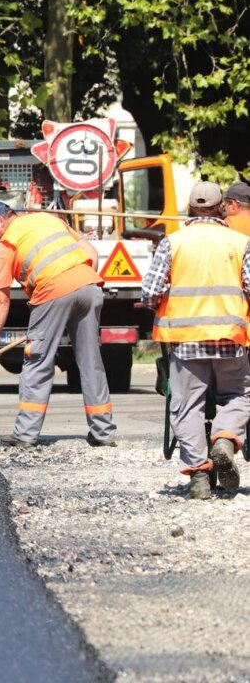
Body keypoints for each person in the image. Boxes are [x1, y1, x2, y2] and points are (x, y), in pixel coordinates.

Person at [0, 200, 115, 448]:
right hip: (89, 286)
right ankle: (103, 433)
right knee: (91, 361)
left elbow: (0, 301)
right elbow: (91, 253)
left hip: (52, 291)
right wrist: (78, 284)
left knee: (37, 360)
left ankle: (26, 435)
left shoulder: (6, 244)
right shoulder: (48, 218)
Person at [142, 181, 250, 499]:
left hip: (186, 339)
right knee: (237, 396)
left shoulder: (173, 242)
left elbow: (150, 292)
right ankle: (224, 440)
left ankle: (199, 477)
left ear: (190, 210)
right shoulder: (240, 242)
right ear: (221, 208)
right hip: (231, 336)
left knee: (187, 406)